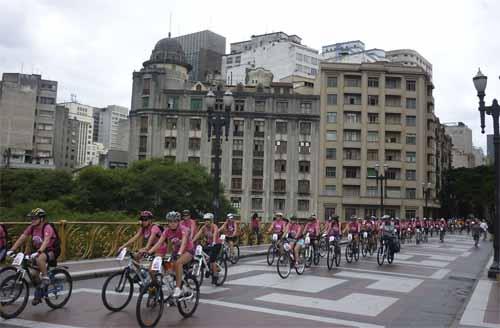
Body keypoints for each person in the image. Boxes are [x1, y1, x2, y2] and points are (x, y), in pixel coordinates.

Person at [7, 208, 60, 305]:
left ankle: (45, 278)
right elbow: (21, 238)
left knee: (40, 259)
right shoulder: (31, 227)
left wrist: (39, 251)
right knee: (33, 273)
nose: (32, 220)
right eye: (31, 218)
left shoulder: (47, 227)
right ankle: (39, 293)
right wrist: (12, 250)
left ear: (42, 219)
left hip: (51, 250)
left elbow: (46, 241)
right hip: (38, 251)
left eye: (35, 218)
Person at [148, 211, 194, 298]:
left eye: (175, 221)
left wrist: (180, 252)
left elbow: (184, 242)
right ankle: (182, 285)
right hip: (176, 252)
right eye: (170, 221)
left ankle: (178, 288)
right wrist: (149, 252)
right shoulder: (167, 231)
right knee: (169, 270)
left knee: (178, 263)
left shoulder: (184, 229)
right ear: (168, 222)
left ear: (178, 222)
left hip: (188, 250)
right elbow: (159, 243)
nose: (172, 224)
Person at [193, 213, 222, 284]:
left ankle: (215, 276)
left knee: (212, 260)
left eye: (208, 220)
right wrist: (192, 241)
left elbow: (215, 234)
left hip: (216, 244)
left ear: (211, 220)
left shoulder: (214, 226)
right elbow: (198, 235)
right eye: (205, 220)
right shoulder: (203, 227)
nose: (206, 222)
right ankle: (207, 268)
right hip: (209, 244)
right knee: (201, 253)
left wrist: (214, 241)